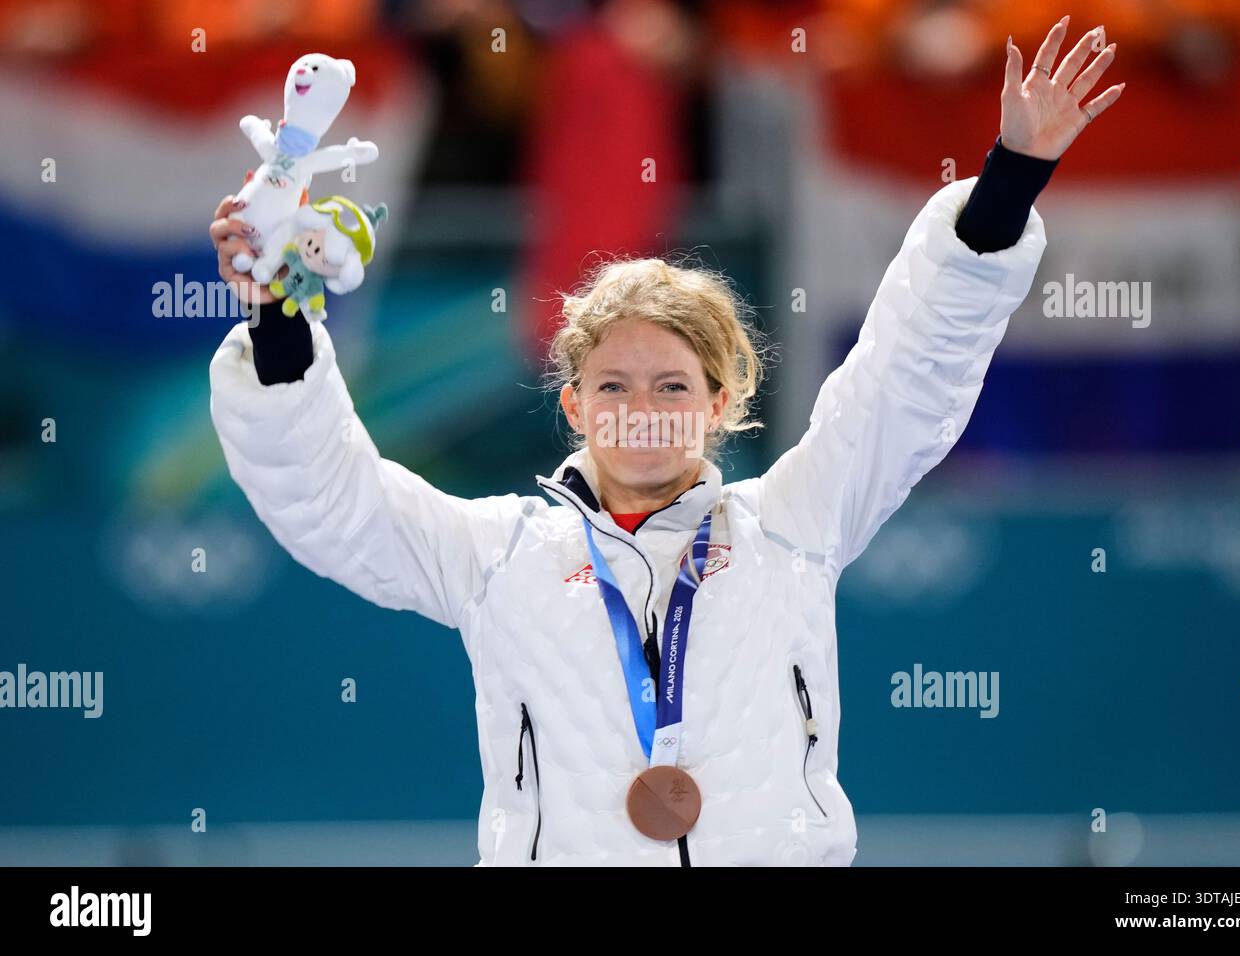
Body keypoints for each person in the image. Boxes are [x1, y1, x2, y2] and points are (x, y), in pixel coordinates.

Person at [207, 17, 1122, 866]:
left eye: (672, 385)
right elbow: (330, 501)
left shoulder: (793, 524)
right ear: (573, 405)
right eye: (613, 385)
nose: (640, 407)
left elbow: (913, 371)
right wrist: (275, 310)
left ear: (722, 402)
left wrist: (1011, 174)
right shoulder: (498, 555)